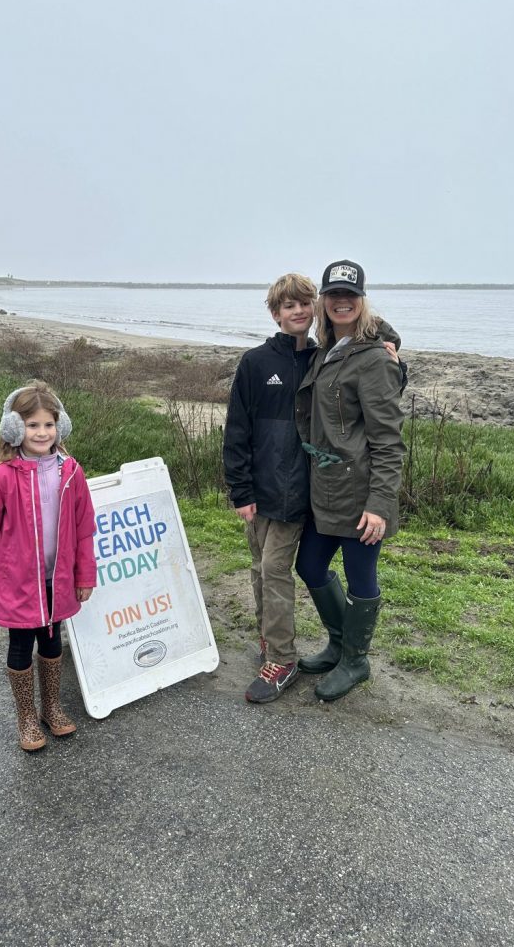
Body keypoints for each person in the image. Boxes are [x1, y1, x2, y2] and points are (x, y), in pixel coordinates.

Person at [295, 260, 405, 702]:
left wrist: (379, 503)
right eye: (333, 294)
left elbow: (388, 440)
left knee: (362, 576)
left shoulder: (375, 358)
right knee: (309, 566)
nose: (341, 301)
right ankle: (341, 644)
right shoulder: (327, 349)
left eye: (351, 295)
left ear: (363, 302)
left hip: (361, 490)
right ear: (324, 301)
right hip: (324, 486)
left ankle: (356, 661)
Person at [0, 381, 96, 751]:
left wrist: (84, 573)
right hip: (16, 585)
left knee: (53, 643)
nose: (42, 432)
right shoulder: (1, 476)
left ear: (61, 426)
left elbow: (85, 528)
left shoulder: (71, 471)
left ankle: (51, 707)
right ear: (13, 428)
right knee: (21, 645)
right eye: (32, 425)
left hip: (55, 582)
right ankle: (26, 717)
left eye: (48, 424)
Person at [223, 273, 318, 703]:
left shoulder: (326, 359)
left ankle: (283, 657)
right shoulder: (256, 363)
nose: (298, 311)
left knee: (276, 569)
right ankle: (269, 639)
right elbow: (237, 430)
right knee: (260, 568)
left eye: (304, 303)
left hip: (300, 492)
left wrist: (393, 350)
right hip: (259, 490)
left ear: (314, 307)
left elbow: (375, 359)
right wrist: (241, 491)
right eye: (289, 305)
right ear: (276, 313)